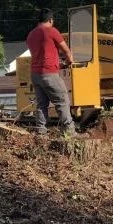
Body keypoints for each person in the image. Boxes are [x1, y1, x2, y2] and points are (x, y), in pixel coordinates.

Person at [26, 8, 77, 136]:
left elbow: (42, 53)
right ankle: (70, 131)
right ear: (50, 20)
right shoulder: (51, 31)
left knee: (42, 104)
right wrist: (69, 61)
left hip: (35, 74)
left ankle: (41, 131)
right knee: (62, 100)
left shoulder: (31, 35)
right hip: (49, 73)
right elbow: (66, 51)